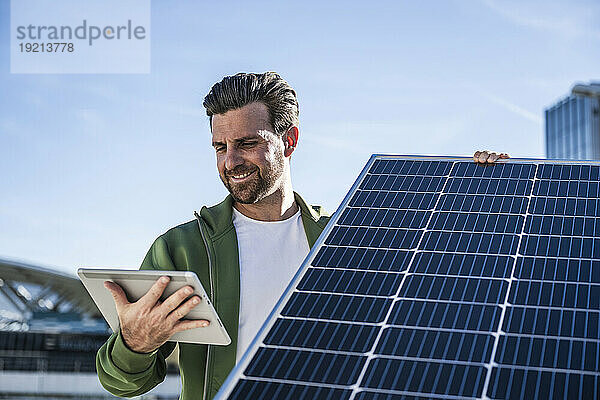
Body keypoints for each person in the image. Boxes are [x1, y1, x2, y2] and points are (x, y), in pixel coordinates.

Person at [96, 71, 508, 400]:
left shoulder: (346, 238)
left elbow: (445, 302)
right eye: (220, 147)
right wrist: (135, 342)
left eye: (247, 143)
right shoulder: (181, 249)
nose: (231, 161)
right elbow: (122, 383)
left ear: (289, 140)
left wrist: (489, 189)